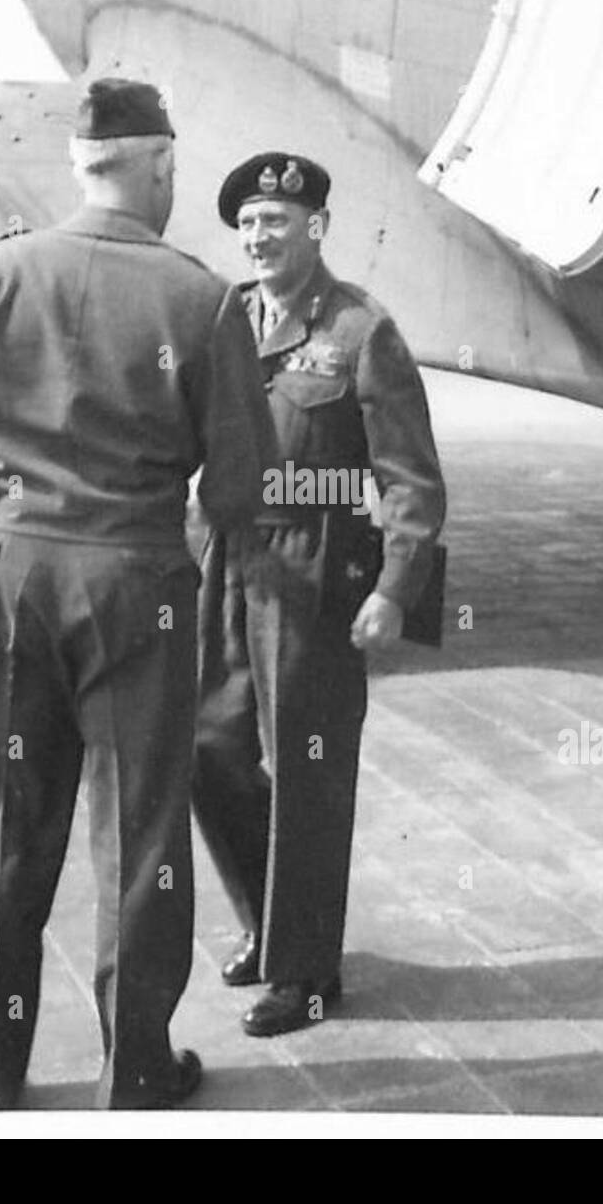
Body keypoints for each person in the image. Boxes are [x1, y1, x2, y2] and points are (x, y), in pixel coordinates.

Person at [0, 80, 275, 1111]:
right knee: (141, 840)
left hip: (8, 576)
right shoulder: (201, 298)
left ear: (83, 166)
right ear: (159, 165)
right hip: (136, 586)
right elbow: (242, 489)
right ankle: (137, 1071)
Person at [192, 152, 446, 1037]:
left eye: (275, 222)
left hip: (316, 573)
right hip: (228, 562)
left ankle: (304, 973)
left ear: (316, 229)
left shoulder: (359, 329)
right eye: (249, 224)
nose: (259, 238)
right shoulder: (229, 316)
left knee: (307, 773)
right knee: (207, 746)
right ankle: (268, 924)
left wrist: (394, 588)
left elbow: (411, 477)